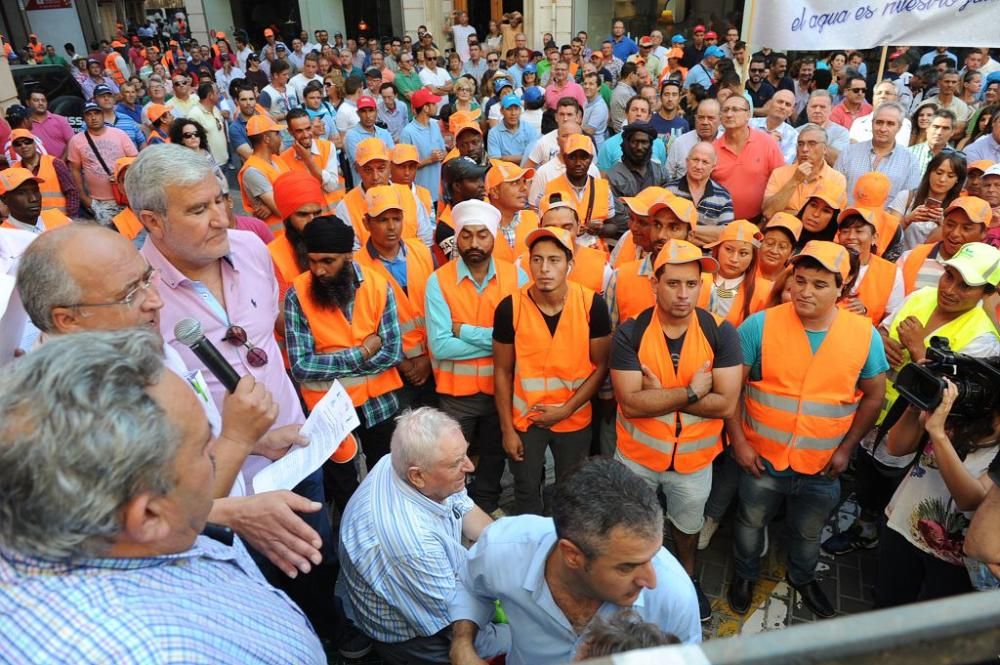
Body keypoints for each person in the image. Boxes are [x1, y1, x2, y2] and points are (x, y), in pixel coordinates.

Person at [0, 330, 326, 664]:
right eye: (204, 448)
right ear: (149, 517)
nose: (220, 454)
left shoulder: (114, 529)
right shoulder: (155, 653)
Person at [727, 240, 888, 619]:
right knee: (750, 522)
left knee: (808, 532)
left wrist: (847, 448)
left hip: (822, 465)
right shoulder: (760, 325)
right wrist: (739, 441)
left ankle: (802, 577)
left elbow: (873, 397)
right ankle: (745, 574)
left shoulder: (865, 336)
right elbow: (732, 389)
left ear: (842, 289)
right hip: (761, 459)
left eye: (819, 284)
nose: (805, 291)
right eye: (800, 280)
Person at [825, 239, 1000, 561]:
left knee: (889, 488)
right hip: (876, 412)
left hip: (913, 436)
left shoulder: (984, 341)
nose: (950, 289)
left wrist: (918, 351)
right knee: (867, 475)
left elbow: (952, 403)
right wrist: (882, 339)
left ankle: (875, 535)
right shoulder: (921, 296)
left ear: (987, 293)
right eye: (949, 276)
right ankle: (866, 525)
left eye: (966, 286)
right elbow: (882, 331)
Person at [448, 457, 701, 665]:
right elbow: (470, 586)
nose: (651, 580)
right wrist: (462, 643)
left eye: (653, 555)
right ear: (572, 555)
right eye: (627, 566)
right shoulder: (504, 549)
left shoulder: (674, 597)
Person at [609, 236, 742, 622]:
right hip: (638, 457)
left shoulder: (720, 332)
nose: (683, 294)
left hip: (694, 462)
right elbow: (631, 404)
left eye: (692, 284)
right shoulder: (631, 333)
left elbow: (727, 403)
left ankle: (687, 579)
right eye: (673, 283)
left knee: (687, 528)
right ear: (654, 283)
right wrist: (689, 391)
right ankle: (634, 580)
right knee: (633, 525)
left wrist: (661, 394)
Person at [341, 408, 509, 664]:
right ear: (417, 476)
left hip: (434, 591)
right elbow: (455, 624)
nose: (470, 466)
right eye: (456, 463)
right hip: (413, 638)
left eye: (465, 453)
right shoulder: (412, 544)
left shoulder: (406, 459)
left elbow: (465, 509)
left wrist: (506, 550)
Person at [494, 227, 611, 515]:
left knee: (571, 491)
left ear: (570, 265)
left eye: (554, 260)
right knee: (526, 489)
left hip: (574, 418)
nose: (545, 268)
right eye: (537, 259)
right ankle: (532, 545)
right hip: (526, 420)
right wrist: (507, 430)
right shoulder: (510, 308)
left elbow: (601, 367)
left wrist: (566, 409)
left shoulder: (591, 304)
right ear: (529, 262)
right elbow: (501, 371)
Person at [425, 199, 528, 517]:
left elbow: (523, 337)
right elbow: (441, 346)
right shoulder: (438, 281)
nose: (473, 243)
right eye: (466, 235)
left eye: (482, 235)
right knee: (451, 457)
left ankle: (486, 503)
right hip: (458, 396)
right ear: (456, 237)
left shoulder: (517, 278)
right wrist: (499, 340)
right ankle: (451, 510)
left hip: (502, 392)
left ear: (494, 237)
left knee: (496, 454)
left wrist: (463, 331)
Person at [284, 214, 404, 466]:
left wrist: (329, 363)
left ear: (348, 257)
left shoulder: (379, 286)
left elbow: (392, 353)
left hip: (378, 405)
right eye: (313, 261)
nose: (318, 270)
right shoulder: (297, 294)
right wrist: (361, 352)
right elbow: (301, 367)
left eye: (328, 261)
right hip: (327, 412)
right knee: (343, 487)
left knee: (386, 477)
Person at [606, 190, 698, 327]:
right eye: (657, 225)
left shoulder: (708, 285)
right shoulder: (620, 277)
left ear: (690, 236)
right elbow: (609, 336)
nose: (661, 235)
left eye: (673, 228)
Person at [712, 94, 784, 222]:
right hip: (719, 223)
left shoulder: (767, 144)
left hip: (758, 222)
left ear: (748, 115)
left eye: (735, 109)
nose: (729, 114)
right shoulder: (712, 150)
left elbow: (781, 183)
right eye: (725, 110)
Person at [900, 196, 990, 294]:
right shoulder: (910, 257)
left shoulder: (985, 273)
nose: (955, 233)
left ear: (984, 233)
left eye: (966, 228)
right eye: (950, 225)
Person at [66, 101, 137, 226]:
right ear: (84, 119)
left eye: (97, 113)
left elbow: (135, 160)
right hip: (99, 203)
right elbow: (74, 170)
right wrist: (84, 198)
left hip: (126, 198)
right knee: (109, 240)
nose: (93, 117)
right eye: (89, 115)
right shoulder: (76, 141)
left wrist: (121, 175)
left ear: (103, 115)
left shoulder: (119, 134)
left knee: (134, 237)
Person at [836, 102, 921, 205]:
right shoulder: (849, 152)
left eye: (890, 124)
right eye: (879, 122)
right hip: (847, 218)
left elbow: (908, 200)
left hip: (887, 220)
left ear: (899, 127)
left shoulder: (910, 161)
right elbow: (836, 189)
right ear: (872, 123)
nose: (883, 129)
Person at [541, 134, 615, 246]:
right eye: (572, 157)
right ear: (564, 158)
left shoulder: (603, 188)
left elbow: (613, 226)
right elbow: (543, 227)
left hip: (595, 252)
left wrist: (600, 229)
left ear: (591, 159)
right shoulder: (550, 188)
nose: (578, 163)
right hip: (561, 249)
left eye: (584, 158)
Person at [762, 123, 847, 219]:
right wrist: (794, 181)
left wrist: (788, 213)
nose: (804, 149)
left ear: (825, 149)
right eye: (800, 144)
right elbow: (768, 212)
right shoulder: (779, 173)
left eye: (812, 144)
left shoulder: (837, 179)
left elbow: (831, 219)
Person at [891, 149, 967, 249]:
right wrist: (908, 219)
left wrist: (943, 225)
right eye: (939, 173)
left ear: (957, 180)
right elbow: (888, 234)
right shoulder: (906, 197)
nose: (942, 179)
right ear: (929, 172)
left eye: (950, 176)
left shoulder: (958, 208)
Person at [607, 122, 671, 232]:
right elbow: (618, 219)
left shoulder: (660, 172)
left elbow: (668, 207)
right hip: (624, 236)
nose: (639, 147)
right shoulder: (613, 177)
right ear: (626, 144)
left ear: (650, 145)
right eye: (634, 142)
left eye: (644, 142)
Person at [666, 141, 734, 243]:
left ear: (713, 167)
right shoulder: (669, 191)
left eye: (705, 162)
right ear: (687, 161)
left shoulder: (723, 197)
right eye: (695, 160)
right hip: (672, 255)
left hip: (706, 258)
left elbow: (726, 235)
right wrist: (708, 234)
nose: (698, 166)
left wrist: (684, 229)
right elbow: (663, 230)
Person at [237, 115, 292, 232]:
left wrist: (270, 207)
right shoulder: (253, 171)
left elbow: (295, 188)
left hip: (290, 231)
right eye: (277, 134)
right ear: (266, 138)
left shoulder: (276, 159)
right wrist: (273, 207)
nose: (280, 138)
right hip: (277, 236)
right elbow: (280, 209)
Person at [280, 107, 343, 209]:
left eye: (308, 128)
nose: (305, 135)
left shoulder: (327, 147)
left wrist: (308, 160)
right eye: (299, 131)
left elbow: (331, 186)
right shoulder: (284, 159)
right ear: (290, 132)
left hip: (332, 214)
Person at [8, 129, 79, 217]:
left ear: (34, 144)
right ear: (14, 148)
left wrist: (71, 218)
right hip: (31, 223)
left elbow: (71, 192)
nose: (23, 146)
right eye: (18, 144)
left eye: (27, 142)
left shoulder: (55, 163)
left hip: (59, 222)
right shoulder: (13, 170)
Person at [596, 95, 668, 173]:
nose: (638, 114)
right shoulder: (609, 145)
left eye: (643, 111)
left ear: (649, 117)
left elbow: (662, 176)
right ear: (626, 114)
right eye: (634, 110)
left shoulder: (659, 144)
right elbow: (602, 178)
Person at [399, 89, 446, 207]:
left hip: (439, 193)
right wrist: (430, 159)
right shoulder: (407, 132)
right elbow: (405, 166)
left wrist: (442, 154)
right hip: (419, 196)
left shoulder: (435, 125)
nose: (436, 106)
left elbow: (443, 152)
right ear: (425, 108)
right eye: (433, 104)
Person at [485, 159, 538, 263]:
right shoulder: (476, 226)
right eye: (515, 183)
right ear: (495, 191)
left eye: (524, 182)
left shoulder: (536, 221)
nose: (524, 188)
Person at [0, 167, 71, 233]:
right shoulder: (4, 237)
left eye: (35, 190)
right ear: (4, 199)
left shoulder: (58, 218)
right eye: (21, 193)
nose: (33, 199)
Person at [666, 99, 722, 179]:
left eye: (710, 118)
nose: (705, 122)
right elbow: (668, 175)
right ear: (695, 118)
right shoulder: (680, 143)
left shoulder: (727, 143)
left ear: (720, 120)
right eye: (701, 118)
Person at [849, 80, 914, 146]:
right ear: (873, 97)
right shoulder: (859, 122)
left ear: (896, 98)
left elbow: (898, 149)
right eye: (879, 93)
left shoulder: (903, 123)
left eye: (888, 93)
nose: (882, 96)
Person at [749, 89, 798, 164]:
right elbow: (740, 153)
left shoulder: (793, 136)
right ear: (770, 104)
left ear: (791, 112)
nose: (782, 107)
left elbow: (782, 165)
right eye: (780, 102)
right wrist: (768, 143)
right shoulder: (750, 124)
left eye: (787, 104)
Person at [487, 94, 538, 165]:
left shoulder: (529, 128)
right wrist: (525, 157)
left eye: (516, 109)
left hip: (527, 170)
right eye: (509, 109)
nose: (513, 113)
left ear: (520, 110)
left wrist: (504, 158)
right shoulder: (494, 133)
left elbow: (536, 157)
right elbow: (495, 161)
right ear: (501, 111)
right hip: (504, 172)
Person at [186, 81, 228, 167]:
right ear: (210, 96)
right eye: (217, 93)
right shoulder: (194, 115)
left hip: (223, 160)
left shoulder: (215, 108)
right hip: (210, 166)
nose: (219, 95)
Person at [24, 90, 74, 159]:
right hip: (42, 167)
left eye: (43, 100)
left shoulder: (60, 120)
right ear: (28, 103)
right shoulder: (26, 125)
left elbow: (71, 142)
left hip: (67, 165)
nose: (41, 103)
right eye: (36, 100)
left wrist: (61, 162)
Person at [757, 213, 803, 281]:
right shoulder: (744, 266)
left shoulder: (794, 278)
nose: (774, 251)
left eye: (782, 247)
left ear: (791, 253)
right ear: (759, 243)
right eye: (770, 243)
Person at [609, 62, 639, 133]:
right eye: (637, 74)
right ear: (631, 75)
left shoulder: (625, 89)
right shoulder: (624, 92)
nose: (638, 77)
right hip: (624, 133)